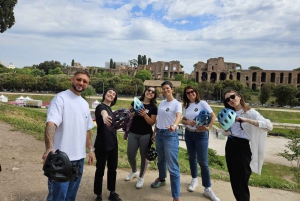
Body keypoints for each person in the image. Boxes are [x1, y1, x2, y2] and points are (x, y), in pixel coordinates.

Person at [42, 69, 95, 201]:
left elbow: (87, 130)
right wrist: (49, 147)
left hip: (79, 159)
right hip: (61, 158)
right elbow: (51, 124)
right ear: (72, 79)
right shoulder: (60, 98)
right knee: (57, 197)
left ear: (87, 84)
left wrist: (90, 149)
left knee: (71, 197)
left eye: (85, 81)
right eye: (78, 79)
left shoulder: (84, 104)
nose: (81, 83)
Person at [221, 89, 273, 201]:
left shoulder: (250, 112)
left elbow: (268, 126)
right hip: (230, 145)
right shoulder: (229, 112)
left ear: (239, 96)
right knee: (234, 179)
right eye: (227, 99)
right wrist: (225, 128)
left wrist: (248, 120)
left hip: (243, 147)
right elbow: (225, 132)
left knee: (241, 180)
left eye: (232, 97)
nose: (231, 100)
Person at [181, 85, 220, 201]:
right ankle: (194, 179)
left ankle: (207, 188)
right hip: (189, 133)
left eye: (192, 92)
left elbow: (213, 116)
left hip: (201, 135)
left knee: (203, 162)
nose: (190, 94)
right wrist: (188, 121)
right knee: (192, 158)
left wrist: (208, 127)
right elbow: (183, 120)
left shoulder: (202, 103)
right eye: (188, 93)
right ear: (186, 95)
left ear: (196, 92)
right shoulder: (186, 105)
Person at [151, 81, 182, 201]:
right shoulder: (162, 103)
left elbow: (179, 116)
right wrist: (154, 133)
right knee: (161, 160)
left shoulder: (177, 104)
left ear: (172, 89)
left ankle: (176, 196)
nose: (165, 90)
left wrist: (174, 125)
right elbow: (159, 120)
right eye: (163, 89)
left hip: (170, 135)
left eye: (167, 88)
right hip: (159, 134)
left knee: (173, 166)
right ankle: (162, 178)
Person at [125, 87, 158, 188]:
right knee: (130, 154)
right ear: (145, 91)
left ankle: (141, 177)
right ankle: (134, 171)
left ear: (154, 95)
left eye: (153, 92)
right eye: (149, 90)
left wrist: (144, 115)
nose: (150, 92)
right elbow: (127, 114)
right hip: (133, 133)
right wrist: (132, 114)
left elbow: (152, 122)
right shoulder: (136, 102)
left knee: (144, 156)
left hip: (145, 134)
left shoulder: (153, 107)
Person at [93, 88, 123, 201]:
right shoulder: (101, 107)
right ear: (105, 94)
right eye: (110, 92)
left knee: (112, 169)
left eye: (114, 94)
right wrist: (105, 116)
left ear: (115, 98)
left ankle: (112, 192)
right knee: (100, 169)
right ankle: (98, 194)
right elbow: (103, 113)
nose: (111, 94)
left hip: (113, 143)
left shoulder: (111, 110)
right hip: (101, 143)